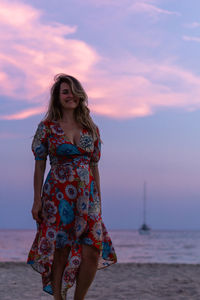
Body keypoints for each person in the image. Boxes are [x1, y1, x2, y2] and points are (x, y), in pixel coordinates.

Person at [27, 74, 117, 300]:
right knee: (61, 249)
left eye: (74, 91)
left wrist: (98, 200)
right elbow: (39, 167)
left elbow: (94, 165)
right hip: (57, 195)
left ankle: (79, 298)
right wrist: (37, 200)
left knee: (93, 249)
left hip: (88, 197)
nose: (70, 95)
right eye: (65, 91)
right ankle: (58, 298)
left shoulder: (91, 128)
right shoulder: (47, 127)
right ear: (57, 97)